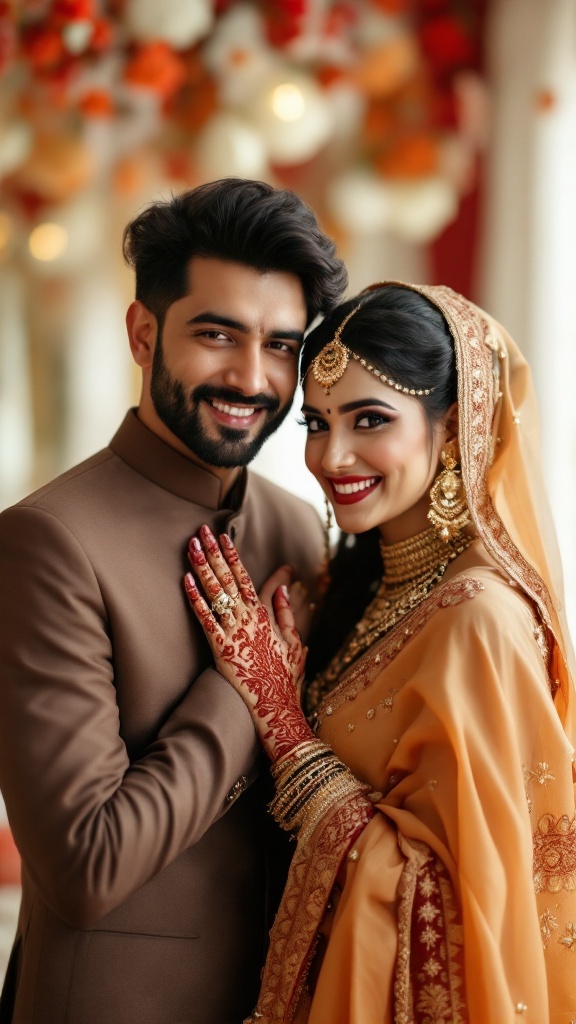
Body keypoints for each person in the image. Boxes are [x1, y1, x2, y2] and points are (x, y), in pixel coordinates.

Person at [0, 177, 347, 1024]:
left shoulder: (302, 530)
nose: (251, 375)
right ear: (143, 334)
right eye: (218, 335)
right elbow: (85, 867)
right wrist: (244, 689)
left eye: (280, 346)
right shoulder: (49, 541)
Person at [185, 282, 576, 1024]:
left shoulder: (478, 619)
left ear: (456, 426)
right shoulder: (363, 581)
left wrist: (279, 717)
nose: (333, 456)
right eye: (317, 421)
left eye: (371, 419)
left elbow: (463, 909)